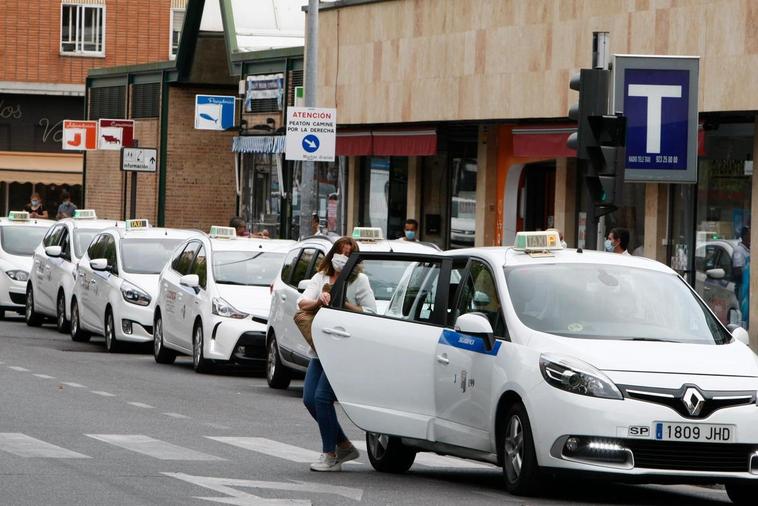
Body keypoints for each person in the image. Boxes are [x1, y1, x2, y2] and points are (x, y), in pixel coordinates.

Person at [298, 236, 376, 472]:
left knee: (322, 398)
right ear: (333, 254)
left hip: (343, 349)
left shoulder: (359, 281)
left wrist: (346, 303)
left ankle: (329, 453)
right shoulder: (320, 278)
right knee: (310, 399)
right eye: (340, 252)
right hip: (321, 348)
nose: (343, 258)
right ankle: (343, 445)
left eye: (348, 254)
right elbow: (302, 303)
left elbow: (372, 311)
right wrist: (319, 301)